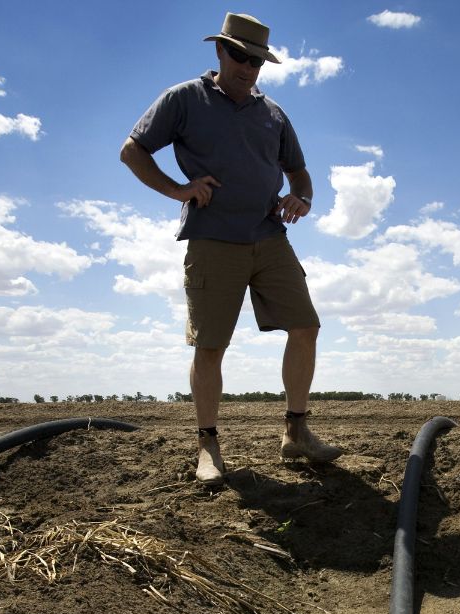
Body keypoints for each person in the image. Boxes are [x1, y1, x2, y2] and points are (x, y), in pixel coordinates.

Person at [120, 11, 342, 486]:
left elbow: (299, 172)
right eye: (240, 56)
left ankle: (296, 433)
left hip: (269, 237)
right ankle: (208, 448)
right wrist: (180, 190)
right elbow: (132, 150)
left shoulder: (273, 114)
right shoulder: (185, 99)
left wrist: (301, 198)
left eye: (257, 61)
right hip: (213, 240)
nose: (248, 67)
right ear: (219, 51)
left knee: (305, 327)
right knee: (210, 346)